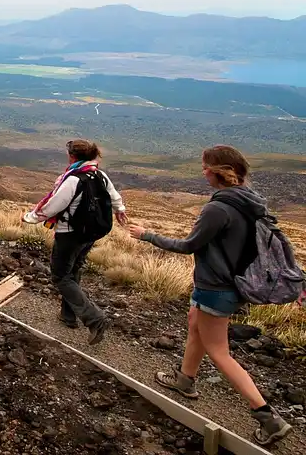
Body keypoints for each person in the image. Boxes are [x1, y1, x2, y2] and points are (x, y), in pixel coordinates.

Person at [128, 145, 291, 445]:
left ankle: (269, 418)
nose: (202, 171)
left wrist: (147, 235)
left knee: (219, 352)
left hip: (216, 288)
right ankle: (184, 380)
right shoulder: (249, 200)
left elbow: (188, 245)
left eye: (206, 166)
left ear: (220, 171)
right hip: (230, 285)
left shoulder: (217, 208)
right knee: (194, 324)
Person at [22, 139, 126, 345]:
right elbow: (114, 197)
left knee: (61, 276)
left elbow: (53, 206)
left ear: (72, 156)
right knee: (74, 270)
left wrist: (30, 217)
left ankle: (95, 319)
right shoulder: (99, 174)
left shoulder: (73, 179)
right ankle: (68, 315)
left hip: (70, 234)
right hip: (90, 234)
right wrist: (120, 210)